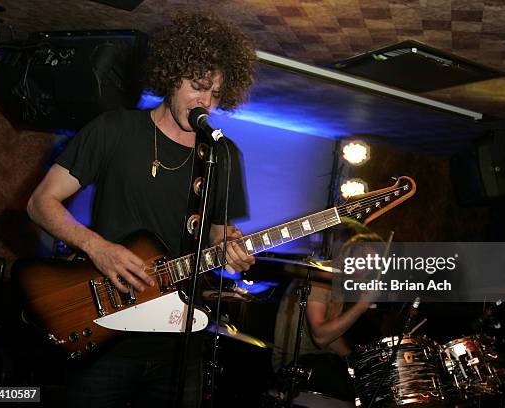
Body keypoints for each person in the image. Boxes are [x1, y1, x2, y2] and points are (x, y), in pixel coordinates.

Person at [26, 10, 256, 408]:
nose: (206, 102)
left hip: (179, 344)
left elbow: (217, 231)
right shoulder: (114, 129)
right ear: (171, 76)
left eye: (216, 94)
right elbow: (40, 202)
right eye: (198, 87)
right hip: (104, 334)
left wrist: (233, 247)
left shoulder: (223, 154)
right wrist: (97, 247)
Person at [272, 222, 387, 403]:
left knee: (369, 383)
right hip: (294, 365)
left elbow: (331, 336)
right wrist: (361, 305)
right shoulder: (320, 278)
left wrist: (355, 362)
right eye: (364, 260)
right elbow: (320, 336)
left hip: (318, 360)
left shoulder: (338, 284)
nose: (367, 271)